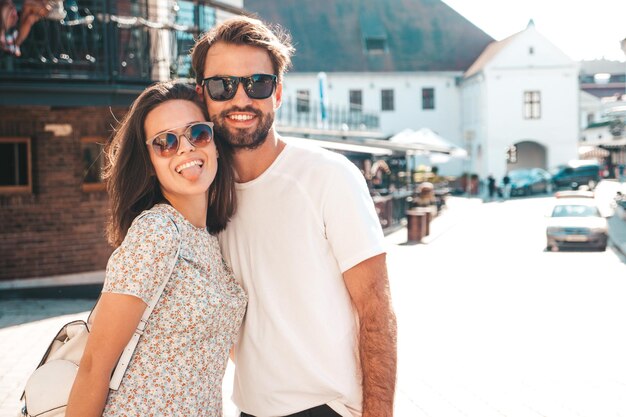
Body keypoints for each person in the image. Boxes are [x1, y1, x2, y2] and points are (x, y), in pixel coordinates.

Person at [191, 16, 397, 417]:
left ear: (278, 93)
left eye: (258, 84)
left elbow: (377, 310)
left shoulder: (329, 177)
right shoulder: (205, 196)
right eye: (222, 85)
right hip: (250, 408)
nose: (241, 99)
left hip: (329, 407)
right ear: (203, 95)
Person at [65, 81, 247, 416]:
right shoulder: (157, 232)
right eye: (165, 142)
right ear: (149, 163)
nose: (185, 148)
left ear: (215, 145)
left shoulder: (210, 240)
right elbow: (94, 365)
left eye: (198, 134)